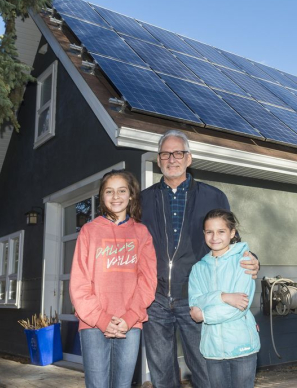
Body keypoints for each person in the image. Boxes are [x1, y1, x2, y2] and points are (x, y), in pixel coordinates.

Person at [141, 129, 259, 388]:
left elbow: (229, 239)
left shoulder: (213, 196)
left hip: (196, 297)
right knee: (161, 374)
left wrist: (252, 258)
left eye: (178, 153)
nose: (172, 158)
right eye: (165, 154)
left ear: (189, 158)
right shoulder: (143, 200)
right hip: (154, 298)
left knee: (205, 371)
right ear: (158, 159)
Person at [70, 170, 157, 388]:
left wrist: (129, 317)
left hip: (130, 322)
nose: (115, 196)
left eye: (121, 191)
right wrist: (100, 318)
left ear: (131, 196)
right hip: (93, 323)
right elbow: (79, 283)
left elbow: (147, 282)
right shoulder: (89, 231)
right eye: (109, 191)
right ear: (102, 196)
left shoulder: (141, 232)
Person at [189, 209, 260, 388]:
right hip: (212, 349)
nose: (215, 237)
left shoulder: (244, 262)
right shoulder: (198, 269)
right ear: (204, 233)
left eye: (221, 231)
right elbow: (195, 303)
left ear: (232, 233)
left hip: (241, 346)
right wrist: (223, 296)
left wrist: (205, 315)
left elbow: (239, 307)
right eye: (209, 232)